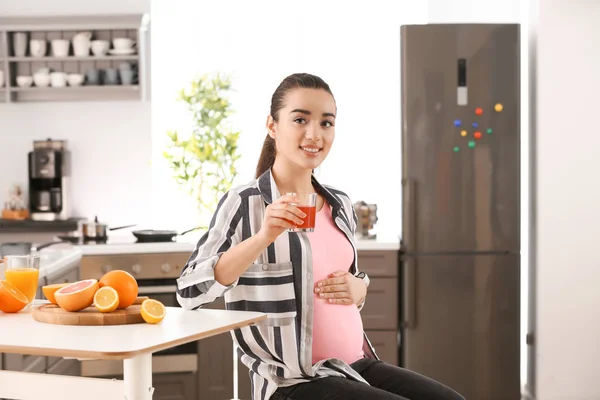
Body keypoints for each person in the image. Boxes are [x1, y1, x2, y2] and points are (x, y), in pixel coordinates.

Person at [176, 73, 465, 400]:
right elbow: (189, 291)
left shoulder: (340, 204)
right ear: (272, 126)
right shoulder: (245, 203)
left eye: (326, 123)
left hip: (353, 367)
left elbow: (346, 281)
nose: (314, 134)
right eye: (300, 119)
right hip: (293, 383)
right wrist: (263, 237)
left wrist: (361, 287)